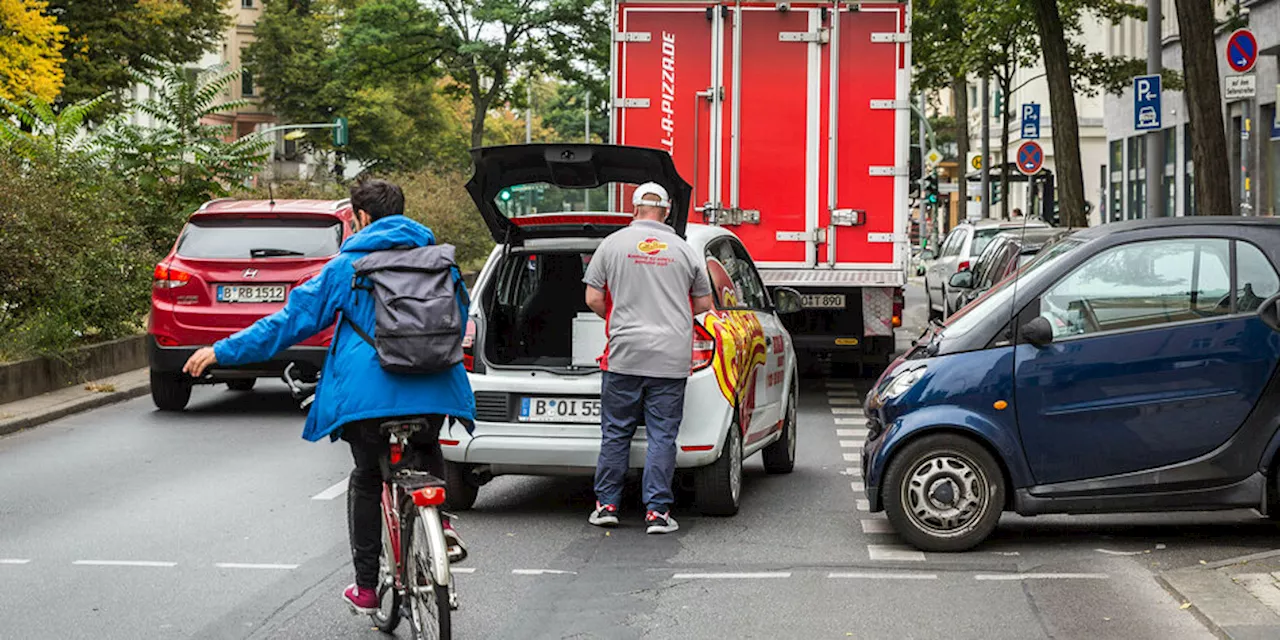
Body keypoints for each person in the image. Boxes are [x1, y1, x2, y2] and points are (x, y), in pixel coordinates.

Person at [182, 179, 476, 614]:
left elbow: (289, 322)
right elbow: (460, 316)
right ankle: (442, 526)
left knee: (366, 475)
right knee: (426, 444)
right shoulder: (441, 263)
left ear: (361, 218)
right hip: (436, 387)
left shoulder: (346, 267)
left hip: (367, 397)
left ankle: (366, 588)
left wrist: (221, 350)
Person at [582, 182, 714, 534]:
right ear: (667, 210)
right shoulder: (684, 251)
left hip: (624, 354)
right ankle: (657, 512)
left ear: (634, 207)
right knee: (661, 436)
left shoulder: (611, 245)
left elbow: (593, 298)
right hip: (670, 359)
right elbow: (704, 303)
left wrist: (620, 316)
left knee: (615, 433)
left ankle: (607, 505)